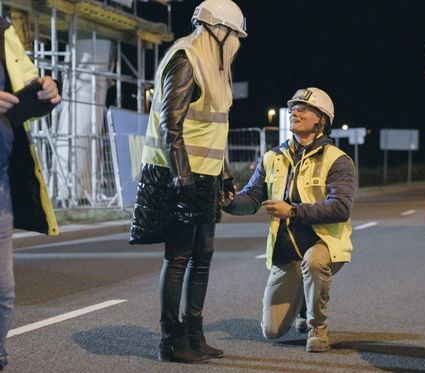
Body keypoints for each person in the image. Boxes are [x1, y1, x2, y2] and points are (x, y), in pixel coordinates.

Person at [128, 0, 246, 364]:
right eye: (234, 35)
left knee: (203, 256)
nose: (237, 43)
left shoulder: (212, 68)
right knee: (178, 258)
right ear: (219, 31)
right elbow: (170, 125)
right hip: (181, 176)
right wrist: (183, 176)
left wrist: (223, 172)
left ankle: (195, 335)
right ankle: (171, 342)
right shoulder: (186, 60)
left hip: (204, 176)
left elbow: (210, 128)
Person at [223, 87, 355, 353]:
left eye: (303, 108)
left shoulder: (337, 160)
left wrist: (293, 211)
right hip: (287, 252)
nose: (295, 111)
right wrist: (228, 201)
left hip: (323, 245)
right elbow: (251, 199)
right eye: (294, 107)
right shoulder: (273, 157)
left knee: (314, 261)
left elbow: (340, 207)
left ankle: (317, 326)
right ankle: (302, 302)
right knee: (271, 331)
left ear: (320, 119)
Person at [0, 18, 61, 371]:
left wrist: (46, 92)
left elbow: (21, 95)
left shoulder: (4, 28)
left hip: (2, 180)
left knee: (3, 291)